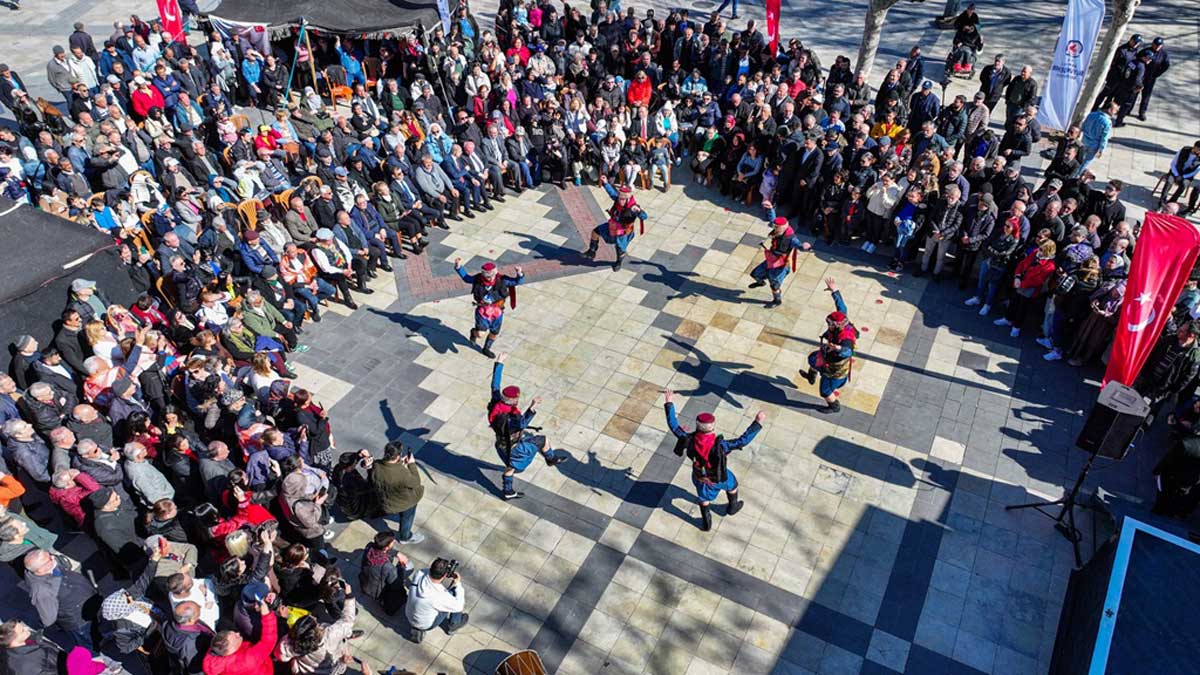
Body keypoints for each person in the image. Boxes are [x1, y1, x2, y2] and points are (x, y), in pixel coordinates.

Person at [662, 388, 765, 531]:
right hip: (718, 477)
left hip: (699, 476)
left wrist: (669, 403)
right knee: (732, 484)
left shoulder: (688, 439)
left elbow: (674, 425)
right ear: (712, 428)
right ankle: (732, 507)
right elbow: (742, 441)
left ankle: (706, 524)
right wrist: (757, 423)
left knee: (703, 498)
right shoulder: (721, 446)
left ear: (697, 426)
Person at [486, 353, 564, 499]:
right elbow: (522, 423)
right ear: (514, 399)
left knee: (510, 467)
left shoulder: (496, 403)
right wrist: (532, 407)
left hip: (501, 445)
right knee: (543, 440)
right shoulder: (512, 416)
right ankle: (550, 459)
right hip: (517, 448)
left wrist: (499, 363)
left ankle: (508, 491)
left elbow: (495, 384)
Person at [799, 277, 859, 412]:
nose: (828, 326)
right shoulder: (843, 320)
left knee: (825, 391)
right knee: (813, 359)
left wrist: (838, 348)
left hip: (835, 370)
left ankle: (834, 407)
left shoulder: (846, 337)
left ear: (837, 326)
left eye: (830, 324)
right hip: (828, 354)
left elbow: (848, 351)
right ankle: (811, 376)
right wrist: (835, 291)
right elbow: (841, 307)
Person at [455, 260, 524, 358]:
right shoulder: (478, 279)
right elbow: (466, 278)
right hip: (483, 311)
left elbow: (517, 281)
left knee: (494, 332)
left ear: (495, 273)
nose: (490, 278)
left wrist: (519, 273)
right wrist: (459, 267)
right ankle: (474, 332)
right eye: (487, 276)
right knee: (480, 334)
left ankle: (486, 348)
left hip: (497, 311)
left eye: (491, 276)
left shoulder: (502, 280)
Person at [582, 175, 648, 271]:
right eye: (620, 198)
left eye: (623, 199)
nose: (620, 200)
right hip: (612, 226)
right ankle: (592, 251)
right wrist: (605, 183)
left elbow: (644, 217)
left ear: (627, 199)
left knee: (620, 248)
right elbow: (612, 193)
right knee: (595, 232)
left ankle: (618, 262)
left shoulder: (633, 207)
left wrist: (639, 211)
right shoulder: (618, 199)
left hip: (623, 231)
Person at [747, 217, 812, 307]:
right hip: (771, 259)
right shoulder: (777, 233)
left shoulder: (791, 238)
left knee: (774, 286)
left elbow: (799, 246)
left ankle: (777, 300)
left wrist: (805, 247)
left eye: (777, 227)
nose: (775, 228)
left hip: (780, 265)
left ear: (784, 226)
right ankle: (761, 282)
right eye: (775, 226)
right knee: (755, 274)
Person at [370, 441, 426, 545]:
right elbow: (416, 482)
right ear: (398, 456)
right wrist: (411, 464)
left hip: (386, 502)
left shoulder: (377, 464)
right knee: (407, 518)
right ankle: (405, 537)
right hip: (404, 503)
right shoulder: (402, 474)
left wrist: (400, 464)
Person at [405, 558, 468, 641]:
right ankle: (454, 625)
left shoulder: (419, 574)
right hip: (426, 624)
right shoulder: (440, 596)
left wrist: (440, 571)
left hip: (409, 616)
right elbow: (459, 606)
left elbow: (427, 572)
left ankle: (417, 630)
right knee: (454, 593)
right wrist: (458, 584)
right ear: (445, 575)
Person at [358, 531, 408, 616]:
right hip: (377, 591)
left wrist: (397, 553)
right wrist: (402, 567)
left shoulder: (369, 547)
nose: (394, 541)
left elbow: (384, 551)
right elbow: (397, 584)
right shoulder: (388, 568)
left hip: (365, 581)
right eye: (392, 541)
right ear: (386, 547)